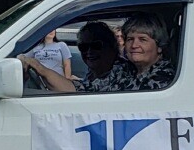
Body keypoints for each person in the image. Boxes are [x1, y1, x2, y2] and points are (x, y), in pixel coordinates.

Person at [18, 13, 175, 92]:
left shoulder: (164, 79)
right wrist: (39, 69)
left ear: (159, 45)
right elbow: (81, 90)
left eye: (143, 39)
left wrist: (42, 70)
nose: (134, 45)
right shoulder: (126, 71)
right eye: (130, 39)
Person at [20, 21, 133, 92]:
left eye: (96, 45)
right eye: (83, 47)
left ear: (111, 46)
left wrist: (39, 67)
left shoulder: (121, 71)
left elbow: (77, 91)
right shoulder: (97, 71)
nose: (89, 51)